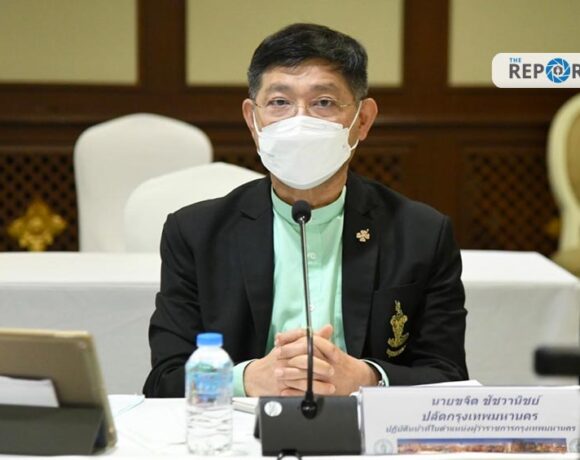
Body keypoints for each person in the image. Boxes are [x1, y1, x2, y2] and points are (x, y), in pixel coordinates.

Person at [143, 23, 467, 398]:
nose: (300, 121)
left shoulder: (421, 233)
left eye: (323, 102)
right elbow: (164, 380)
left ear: (363, 120)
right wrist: (245, 380)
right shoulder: (195, 233)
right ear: (252, 120)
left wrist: (368, 379)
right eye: (279, 102)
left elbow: (448, 376)